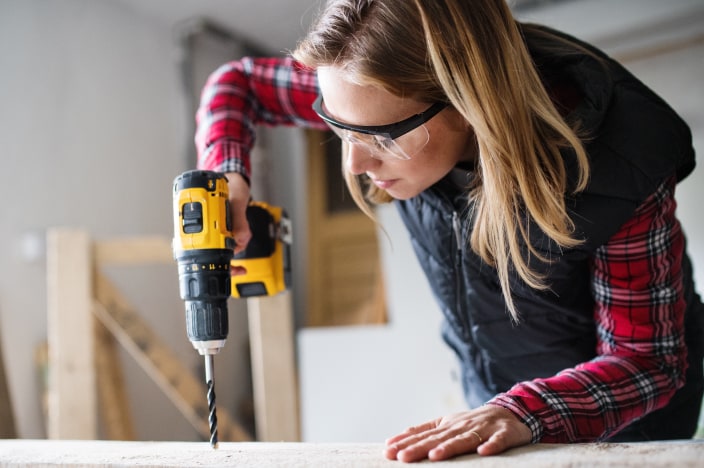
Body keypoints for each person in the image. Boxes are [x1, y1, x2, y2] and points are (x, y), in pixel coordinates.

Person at [194, 0, 704, 462]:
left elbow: (646, 362)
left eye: (379, 138)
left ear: (468, 103)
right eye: (337, 126)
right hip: (496, 407)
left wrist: (524, 412)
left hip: (629, 430)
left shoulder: (622, 168)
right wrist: (227, 175)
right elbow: (235, 86)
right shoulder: (369, 90)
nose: (353, 162)